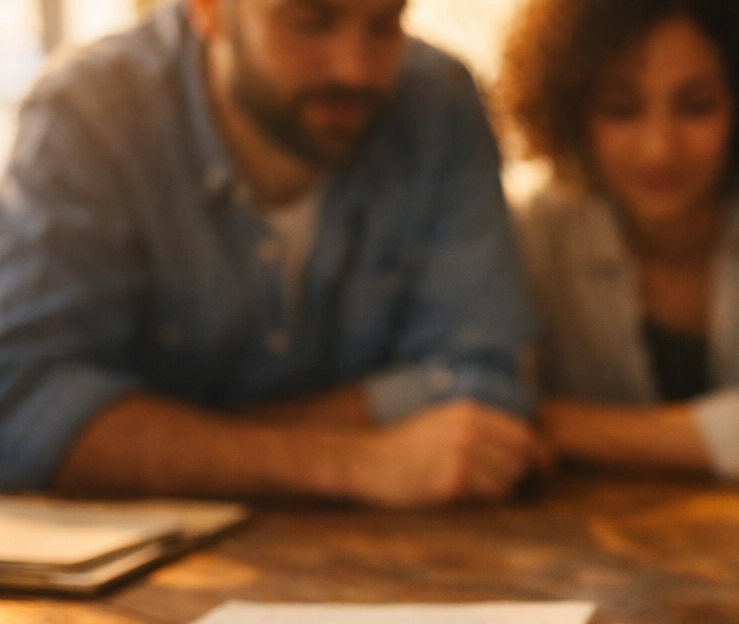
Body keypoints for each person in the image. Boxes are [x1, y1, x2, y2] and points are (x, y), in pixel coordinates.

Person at [0, 0, 547, 507]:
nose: (353, 70)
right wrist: (358, 462)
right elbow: (26, 410)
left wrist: (162, 436)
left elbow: (486, 380)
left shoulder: (438, 100)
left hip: (390, 566)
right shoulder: (91, 115)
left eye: (384, 24)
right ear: (208, 11)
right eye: (310, 23)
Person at [503, 0, 739, 484]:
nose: (660, 146)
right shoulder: (539, 223)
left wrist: (553, 424)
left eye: (697, 106)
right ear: (571, 108)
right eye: (621, 110)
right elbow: (480, 405)